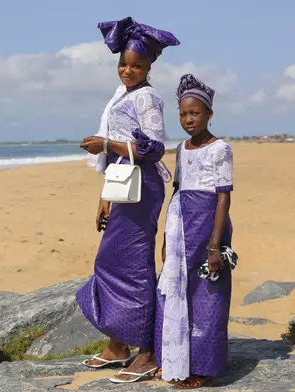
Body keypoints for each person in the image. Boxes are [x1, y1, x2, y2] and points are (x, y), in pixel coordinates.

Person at [76, 16, 180, 383]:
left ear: (150, 66)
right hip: (123, 184)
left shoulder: (148, 97)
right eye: (123, 63)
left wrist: (104, 144)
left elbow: (153, 148)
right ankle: (118, 345)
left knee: (133, 264)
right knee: (111, 260)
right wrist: (105, 195)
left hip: (142, 186)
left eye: (136, 65)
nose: (128, 70)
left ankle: (147, 351)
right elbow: (120, 158)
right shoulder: (123, 95)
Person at [154, 74, 234, 389]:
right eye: (183, 114)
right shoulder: (180, 149)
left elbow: (224, 196)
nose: (188, 119)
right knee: (173, 292)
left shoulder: (221, 149)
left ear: (209, 114)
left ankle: (202, 367)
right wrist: (165, 237)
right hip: (179, 228)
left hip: (207, 228)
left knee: (208, 295)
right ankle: (173, 361)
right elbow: (176, 192)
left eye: (195, 113)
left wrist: (215, 245)